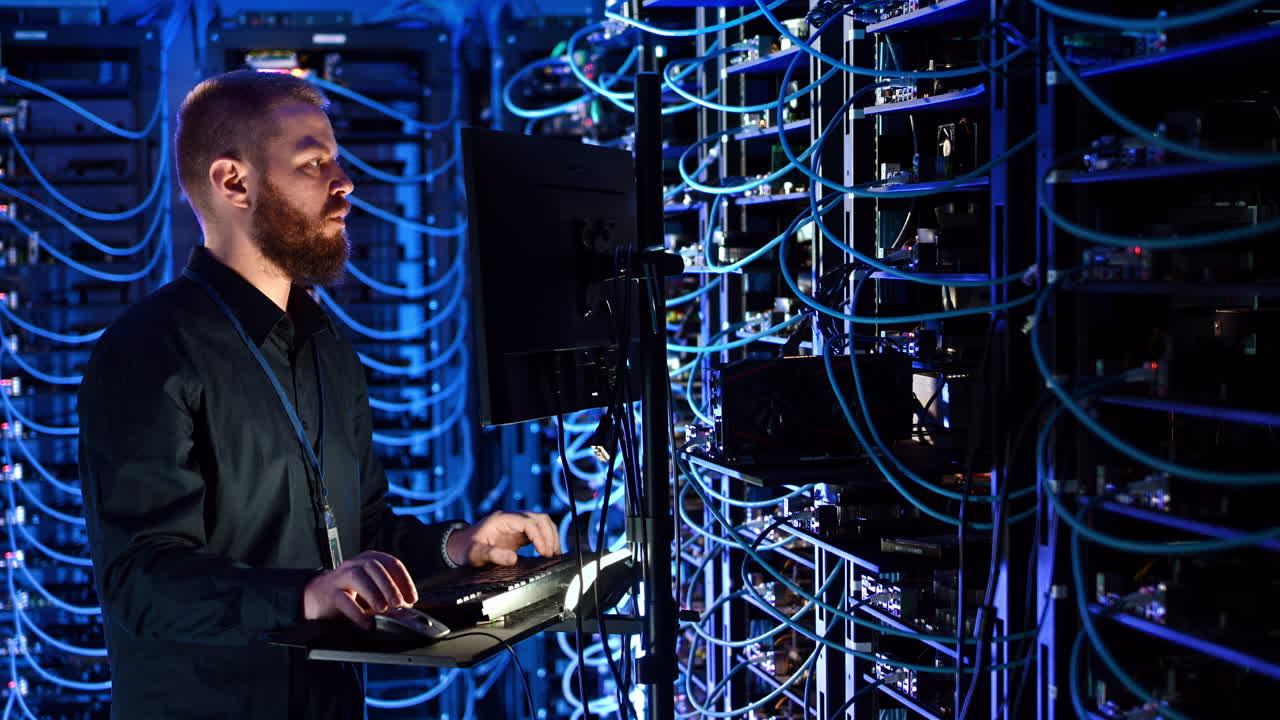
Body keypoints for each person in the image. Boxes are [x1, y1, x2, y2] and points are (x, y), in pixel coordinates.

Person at [77, 70, 560, 719]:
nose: (344, 184)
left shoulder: (327, 345)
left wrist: (456, 546)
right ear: (234, 182)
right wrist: (303, 595)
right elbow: (141, 580)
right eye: (314, 164)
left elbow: (362, 531)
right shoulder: (146, 352)